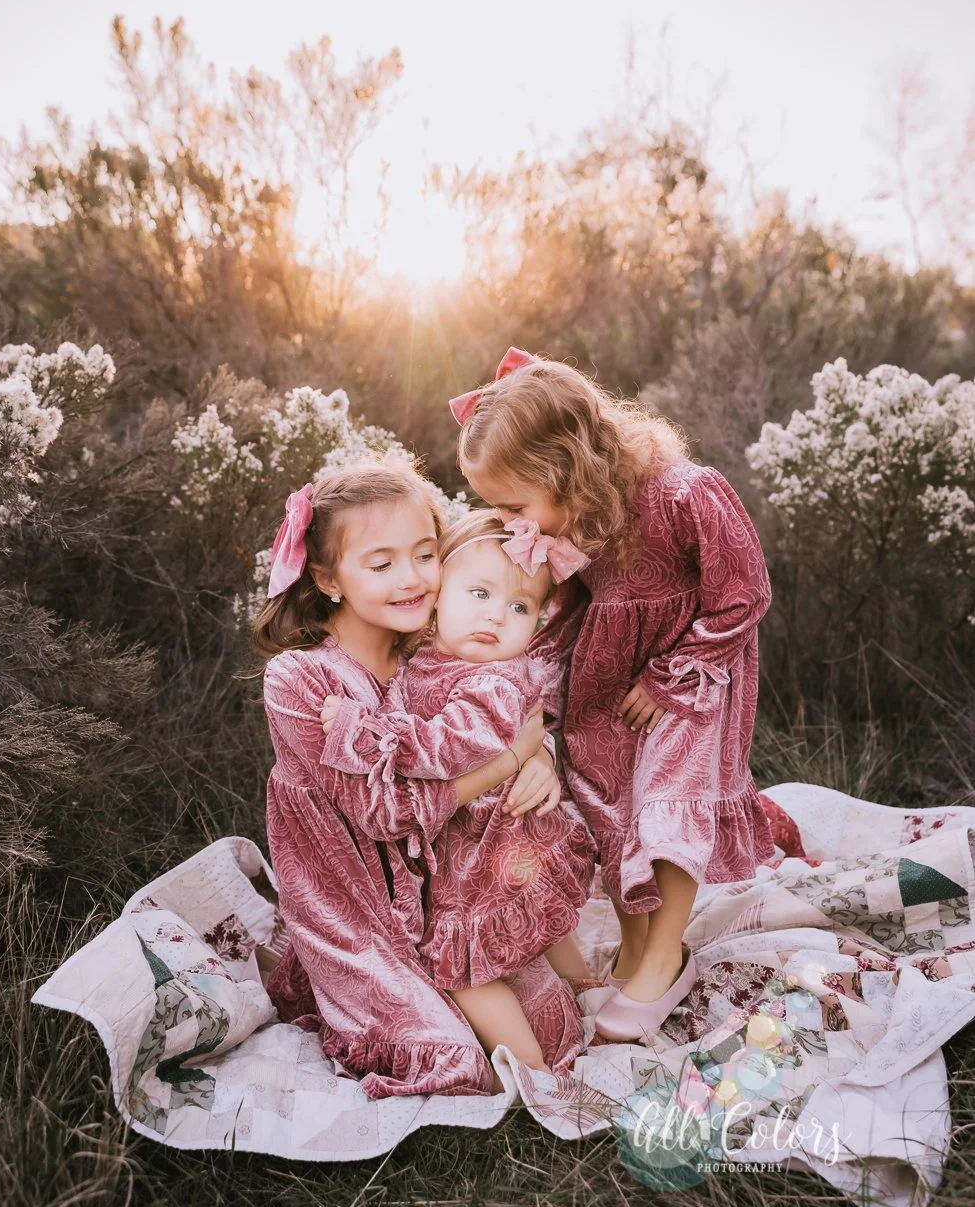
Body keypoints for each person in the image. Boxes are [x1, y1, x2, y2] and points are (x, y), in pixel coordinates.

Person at [447, 347, 775, 1042]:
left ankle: (666, 957)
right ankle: (632, 949)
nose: (516, 524)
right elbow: (565, 613)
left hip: (690, 678)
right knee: (607, 800)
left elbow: (743, 595)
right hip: (607, 678)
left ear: (562, 465)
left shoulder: (687, 493)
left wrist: (670, 676)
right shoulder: (573, 521)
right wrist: (531, 703)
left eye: (514, 504)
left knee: (666, 798)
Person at [253, 458, 578, 1097]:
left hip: (439, 890)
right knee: (457, 1062)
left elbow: (502, 714)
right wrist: (514, 757)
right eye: (382, 564)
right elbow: (384, 815)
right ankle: (320, 976)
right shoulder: (301, 681)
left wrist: (539, 761)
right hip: (354, 904)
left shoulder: (433, 648)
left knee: (555, 1025)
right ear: (328, 577)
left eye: (425, 555)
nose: (412, 580)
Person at [317, 508, 597, 1073]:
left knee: (466, 970)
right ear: (440, 594)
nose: (495, 616)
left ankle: (533, 1072)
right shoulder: (428, 658)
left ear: (536, 624)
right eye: (479, 593)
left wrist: (359, 731)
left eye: (519, 608)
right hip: (490, 850)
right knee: (536, 923)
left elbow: (441, 749)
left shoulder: (490, 681)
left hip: (483, 856)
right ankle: (589, 986)